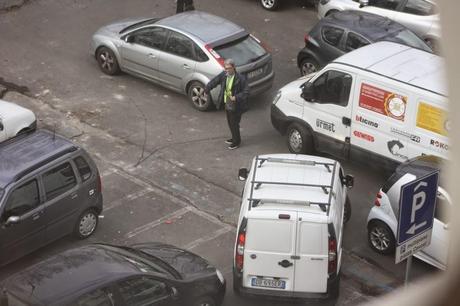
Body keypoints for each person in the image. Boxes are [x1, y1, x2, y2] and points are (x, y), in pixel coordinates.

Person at [205, 59, 249, 150]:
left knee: (234, 123)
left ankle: (236, 142)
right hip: (228, 102)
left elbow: (247, 91)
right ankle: (234, 138)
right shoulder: (224, 75)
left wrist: (236, 97)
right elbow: (214, 81)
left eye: (229, 68)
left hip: (237, 104)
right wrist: (207, 89)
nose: (227, 70)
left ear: (234, 67)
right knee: (230, 122)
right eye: (226, 68)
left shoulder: (240, 78)